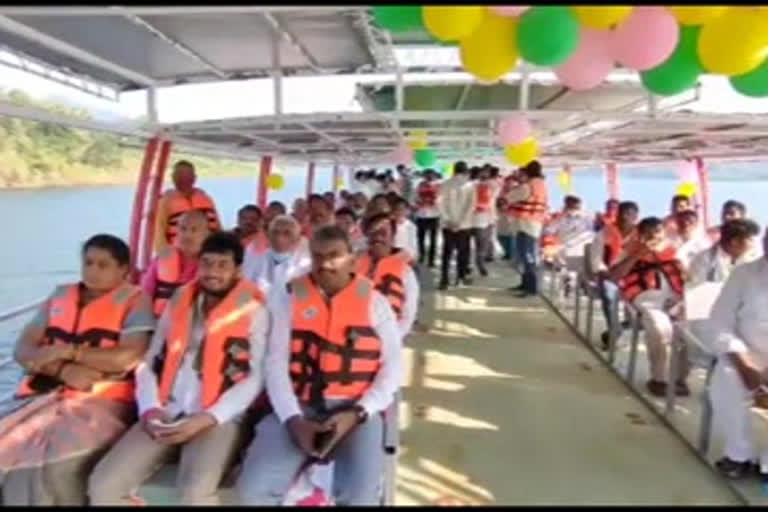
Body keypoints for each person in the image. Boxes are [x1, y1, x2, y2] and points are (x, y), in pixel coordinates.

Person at [89, 232, 268, 505]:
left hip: (216, 419)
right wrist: (150, 409)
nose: (213, 273)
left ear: (238, 270)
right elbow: (149, 361)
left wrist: (209, 417)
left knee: (195, 494)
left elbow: (255, 379)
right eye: (207, 264)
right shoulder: (179, 302)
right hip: (165, 413)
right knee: (103, 487)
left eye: (222, 265)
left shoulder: (255, 311)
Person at [236, 225, 402, 506]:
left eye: (334, 255)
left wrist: (359, 413)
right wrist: (293, 419)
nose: (325, 263)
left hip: (355, 411)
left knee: (361, 498)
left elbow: (392, 371)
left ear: (352, 259)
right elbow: (275, 365)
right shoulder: (288, 300)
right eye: (318, 256)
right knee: (252, 492)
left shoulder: (376, 304)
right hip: (299, 406)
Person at [1, 234, 154, 505]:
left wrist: (70, 352)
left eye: (103, 265)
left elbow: (128, 356)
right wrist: (63, 370)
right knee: (9, 452)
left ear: (123, 270)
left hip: (103, 401)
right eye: (88, 263)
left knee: (57, 466)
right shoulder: (59, 297)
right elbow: (23, 350)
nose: (92, 271)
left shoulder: (135, 302)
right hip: (44, 395)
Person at [706, 227, 768, 480]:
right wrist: (745, 364)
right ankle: (739, 454)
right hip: (744, 353)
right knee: (726, 379)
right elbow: (719, 323)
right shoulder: (744, 275)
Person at [607, 217, 688, 398]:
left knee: (693, 329)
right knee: (660, 327)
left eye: (657, 232)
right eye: (648, 233)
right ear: (640, 234)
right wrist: (637, 254)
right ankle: (659, 379)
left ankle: (679, 378)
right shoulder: (629, 251)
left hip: (676, 299)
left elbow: (688, 278)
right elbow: (613, 277)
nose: (654, 237)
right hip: (646, 298)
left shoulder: (675, 252)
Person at [358, 213, 420, 340]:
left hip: (388, 337)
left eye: (383, 233)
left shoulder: (406, 272)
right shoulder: (353, 265)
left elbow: (408, 315)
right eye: (373, 233)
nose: (378, 238)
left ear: (392, 238)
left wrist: (392, 339)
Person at [589, 201, 639, 350]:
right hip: (610, 276)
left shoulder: (642, 235)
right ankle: (614, 329)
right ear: (616, 214)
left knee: (641, 317)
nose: (625, 216)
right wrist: (604, 271)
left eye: (629, 214)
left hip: (634, 278)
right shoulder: (604, 233)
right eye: (622, 212)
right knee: (608, 291)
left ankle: (616, 328)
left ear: (636, 216)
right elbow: (595, 259)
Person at [142, 210, 210, 317]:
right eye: (183, 229)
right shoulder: (162, 258)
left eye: (194, 230)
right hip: (156, 321)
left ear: (206, 234)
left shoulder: (212, 263)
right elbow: (145, 294)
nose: (187, 234)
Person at [153, 160, 221, 253]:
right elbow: (159, 234)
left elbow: (218, 227)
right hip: (179, 255)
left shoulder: (206, 199)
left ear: (194, 178)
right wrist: (165, 258)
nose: (183, 178)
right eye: (179, 174)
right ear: (173, 178)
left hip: (207, 252)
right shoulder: (165, 202)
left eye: (187, 175)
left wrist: (222, 248)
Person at [507, 160, 549, 297]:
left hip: (525, 224)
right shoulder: (541, 184)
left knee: (527, 256)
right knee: (526, 255)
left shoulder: (528, 186)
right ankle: (526, 284)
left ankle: (531, 287)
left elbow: (510, 197)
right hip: (533, 223)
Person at [244, 215, 312, 297]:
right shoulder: (257, 262)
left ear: (297, 239)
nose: (279, 238)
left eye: (287, 233)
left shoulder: (307, 265)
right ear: (268, 236)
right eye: (275, 232)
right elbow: (246, 290)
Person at [687, 218, 760, 287]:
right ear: (735, 241)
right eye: (750, 240)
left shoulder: (751, 260)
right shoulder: (703, 260)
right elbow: (696, 292)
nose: (753, 244)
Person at [438, 161, 475, 290]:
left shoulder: (445, 184)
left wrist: (448, 220)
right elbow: (471, 206)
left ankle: (444, 280)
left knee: (447, 253)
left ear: (454, 170)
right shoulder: (470, 186)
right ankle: (460, 278)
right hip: (464, 226)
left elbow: (439, 203)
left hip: (448, 225)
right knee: (462, 252)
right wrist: (460, 222)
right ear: (466, 171)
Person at [469, 166, 499, 278]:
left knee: (483, 244)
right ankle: (477, 264)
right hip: (477, 219)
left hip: (489, 218)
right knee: (479, 243)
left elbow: (495, 193)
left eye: (486, 173)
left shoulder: (492, 185)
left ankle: (479, 262)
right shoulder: (472, 185)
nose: (484, 176)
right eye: (482, 174)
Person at [414, 169, 441, 268]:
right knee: (420, 238)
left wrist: (435, 200)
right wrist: (419, 202)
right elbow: (415, 198)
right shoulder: (419, 185)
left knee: (433, 239)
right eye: (427, 175)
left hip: (434, 215)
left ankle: (431, 259)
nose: (429, 177)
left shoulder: (438, 186)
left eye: (431, 175)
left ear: (434, 176)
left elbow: (441, 199)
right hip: (421, 215)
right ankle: (421, 255)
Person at [392, 197, 418, 261]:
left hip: (405, 256)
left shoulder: (411, 226)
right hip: (390, 254)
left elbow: (412, 247)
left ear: (407, 211)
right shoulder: (389, 224)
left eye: (401, 209)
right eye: (396, 209)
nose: (399, 212)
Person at [496, 196, 516, 262]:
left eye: (503, 204)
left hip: (509, 231)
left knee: (509, 243)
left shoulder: (510, 211)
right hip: (500, 230)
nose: (502, 206)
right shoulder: (497, 211)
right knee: (501, 240)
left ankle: (509, 255)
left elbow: (511, 221)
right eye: (500, 205)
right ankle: (508, 254)